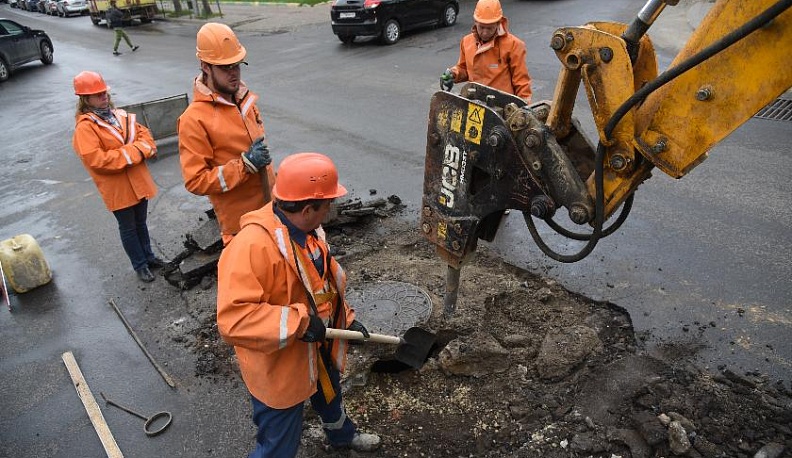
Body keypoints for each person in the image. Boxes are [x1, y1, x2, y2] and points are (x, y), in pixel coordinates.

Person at [216, 152, 381, 457]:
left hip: (319, 347)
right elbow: (233, 320)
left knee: (331, 399)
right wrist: (300, 323)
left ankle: (343, 437)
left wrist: (346, 320)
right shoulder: (251, 247)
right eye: (327, 204)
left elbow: (323, 286)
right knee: (278, 444)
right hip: (282, 366)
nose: (330, 209)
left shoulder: (308, 231)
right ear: (307, 208)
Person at [177, 22, 276, 246]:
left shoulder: (243, 99)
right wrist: (244, 166)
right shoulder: (194, 119)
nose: (233, 74)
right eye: (225, 68)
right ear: (205, 67)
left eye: (236, 65)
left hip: (271, 211)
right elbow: (195, 181)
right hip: (241, 227)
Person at [71, 71, 166, 283]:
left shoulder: (120, 115)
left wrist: (135, 150)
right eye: (97, 95)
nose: (103, 96)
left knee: (140, 223)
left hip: (138, 182)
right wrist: (135, 152)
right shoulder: (85, 128)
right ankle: (140, 265)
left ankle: (149, 258)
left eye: (104, 92)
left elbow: (147, 138)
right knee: (129, 228)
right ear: (85, 100)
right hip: (119, 188)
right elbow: (98, 160)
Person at [440, 0, 533, 102]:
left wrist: (524, 107)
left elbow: (521, 82)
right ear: (475, 22)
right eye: (481, 27)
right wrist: (453, 74)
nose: (484, 33)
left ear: (498, 23)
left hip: (502, 106)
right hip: (474, 101)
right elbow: (464, 68)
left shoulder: (514, 45)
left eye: (489, 28)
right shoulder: (466, 42)